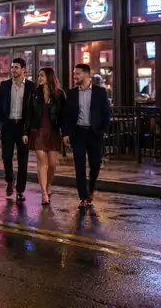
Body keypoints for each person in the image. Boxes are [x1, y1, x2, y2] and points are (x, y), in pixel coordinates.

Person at [62, 63, 112, 210]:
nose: (74, 76)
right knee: (79, 166)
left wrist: (104, 130)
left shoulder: (100, 92)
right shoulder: (71, 93)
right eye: (74, 73)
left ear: (86, 75)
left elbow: (106, 113)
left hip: (94, 133)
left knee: (95, 164)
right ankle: (83, 197)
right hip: (78, 133)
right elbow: (66, 115)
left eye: (77, 73)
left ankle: (91, 188)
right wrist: (66, 133)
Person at [0, 58, 35, 202]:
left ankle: (20, 190)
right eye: (12, 67)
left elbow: (33, 109)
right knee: (6, 156)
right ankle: (10, 180)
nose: (13, 70)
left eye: (16, 67)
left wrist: (30, 128)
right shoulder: (5, 85)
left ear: (23, 69)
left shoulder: (31, 86)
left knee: (23, 159)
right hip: (8, 125)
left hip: (23, 127)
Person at [22, 67, 65, 206]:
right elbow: (28, 114)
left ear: (49, 77)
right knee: (42, 161)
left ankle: (48, 185)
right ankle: (44, 193)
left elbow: (64, 115)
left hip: (53, 131)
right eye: (38, 75)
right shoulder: (34, 93)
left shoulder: (59, 94)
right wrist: (25, 132)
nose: (39, 78)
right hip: (37, 130)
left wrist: (65, 133)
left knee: (52, 164)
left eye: (42, 75)